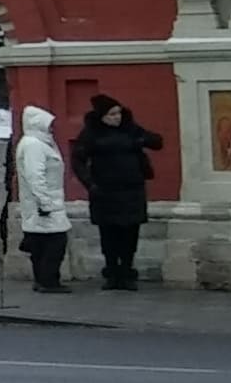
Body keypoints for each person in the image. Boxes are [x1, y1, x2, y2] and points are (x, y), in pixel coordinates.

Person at [70, 95, 163, 291]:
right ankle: (112, 272)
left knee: (130, 233)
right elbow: (78, 159)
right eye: (112, 114)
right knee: (109, 233)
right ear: (102, 116)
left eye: (119, 113)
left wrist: (142, 139)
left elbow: (157, 142)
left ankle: (127, 272)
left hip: (132, 190)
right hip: (105, 191)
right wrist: (90, 183)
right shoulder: (91, 133)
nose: (117, 117)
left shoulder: (131, 128)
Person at [12, 103, 73, 293]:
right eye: (48, 124)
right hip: (44, 204)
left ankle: (43, 280)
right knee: (56, 243)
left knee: (40, 243)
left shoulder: (37, 143)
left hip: (41, 202)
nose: (52, 128)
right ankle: (48, 281)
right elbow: (35, 175)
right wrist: (45, 202)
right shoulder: (34, 145)